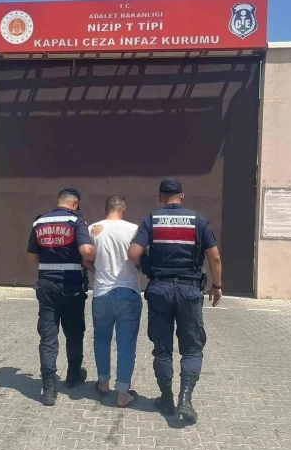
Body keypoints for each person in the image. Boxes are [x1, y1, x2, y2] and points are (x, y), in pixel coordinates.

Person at [128, 179, 223, 422]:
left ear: (160, 197)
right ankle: (186, 399)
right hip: (189, 290)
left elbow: (134, 253)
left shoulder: (152, 219)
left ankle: (166, 398)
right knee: (192, 348)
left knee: (162, 348)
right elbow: (214, 257)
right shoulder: (198, 220)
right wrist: (216, 285)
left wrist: (147, 265)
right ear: (182, 196)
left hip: (159, 289)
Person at [27, 188, 95, 406]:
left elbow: (32, 259)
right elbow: (86, 250)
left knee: (48, 337)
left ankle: (49, 387)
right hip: (70, 285)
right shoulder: (76, 221)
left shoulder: (39, 222)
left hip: (46, 285)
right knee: (74, 333)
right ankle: (73, 375)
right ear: (74, 203)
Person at [87, 196, 143, 408]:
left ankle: (103, 383)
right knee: (126, 344)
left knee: (101, 339)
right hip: (128, 292)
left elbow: (85, 258)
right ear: (123, 209)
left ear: (106, 209)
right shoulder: (134, 230)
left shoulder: (93, 229)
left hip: (101, 292)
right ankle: (122, 394)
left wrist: (98, 270)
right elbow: (141, 258)